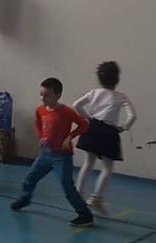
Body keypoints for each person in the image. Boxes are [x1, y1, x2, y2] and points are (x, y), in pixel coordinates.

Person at [11, 78, 94, 227]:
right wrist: (41, 137)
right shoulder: (40, 110)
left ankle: (85, 215)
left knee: (67, 186)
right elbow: (38, 123)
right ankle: (25, 198)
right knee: (30, 178)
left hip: (62, 157)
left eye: (47, 95)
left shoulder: (66, 112)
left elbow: (84, 124)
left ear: (58, 95)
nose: (43, 98)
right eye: (41, 95)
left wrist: (70, 137)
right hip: (45, 154)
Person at [73, 61, 137, 214]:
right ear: (117, 79)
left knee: (88, 163)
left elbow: (76, 105)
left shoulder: (94, 92)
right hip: (109, 132)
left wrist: (88, 118)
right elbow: (132, 116)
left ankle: (79, 193)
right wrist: (123, 127)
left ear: (99, 78)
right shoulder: (120, 96)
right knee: (108, 167)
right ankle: (96, 198)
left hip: (92, 128)